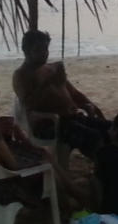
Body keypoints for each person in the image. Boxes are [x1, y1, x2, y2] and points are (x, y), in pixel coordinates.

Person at [13, 29, 109, 157]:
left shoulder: (51, 69)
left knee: (109, 128)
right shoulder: (22, 75)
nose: (44, 53)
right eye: (38, 50)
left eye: (46, 49)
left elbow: (74, 93)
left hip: (72, 117)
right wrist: (48, 83)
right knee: (94, 137)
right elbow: (29, 105)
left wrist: (92, 106)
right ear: (26, 51)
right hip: (51, 124)